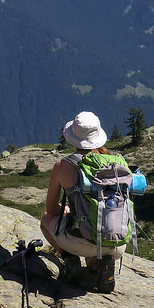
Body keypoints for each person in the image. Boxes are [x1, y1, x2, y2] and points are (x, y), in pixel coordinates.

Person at [40, 111, 130, 293]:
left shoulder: (63, 166)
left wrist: (65, 210)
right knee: (96, 234)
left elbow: (50, 209)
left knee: (45, 220)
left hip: (81, 241)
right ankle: (100, 263)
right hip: (118, 243)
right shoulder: (118, 163)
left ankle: (70, 259)